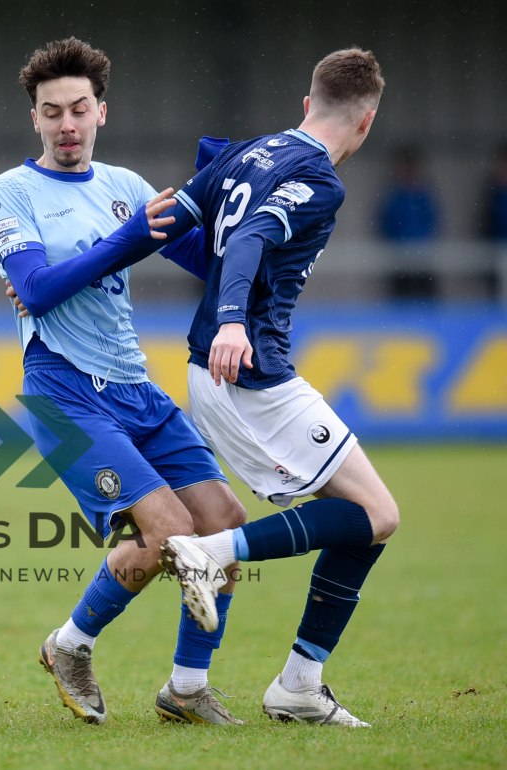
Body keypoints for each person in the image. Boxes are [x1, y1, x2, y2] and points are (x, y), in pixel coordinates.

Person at [0, 37, 247, 727]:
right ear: (35, 119)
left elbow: (209, 262)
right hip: (63, 390)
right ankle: (71, 645)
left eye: (78, 109)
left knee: (223, 524)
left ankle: (186, 689)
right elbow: (35, 290)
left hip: (135, 388)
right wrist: (126, 241)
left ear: (102, 111)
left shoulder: (125, 187)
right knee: (168, 532)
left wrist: (222, 199)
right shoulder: (11, 191)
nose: (66, 124)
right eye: (51, 112)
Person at [146, 47, 397, 727]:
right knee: (378, 514)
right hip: (249, 373)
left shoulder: (247, 154)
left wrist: (77, 263)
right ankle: (211, 555)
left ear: (307, 103)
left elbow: (165, 224)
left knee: (364, 521)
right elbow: (251, 236)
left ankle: (300, 684)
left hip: (219, 368)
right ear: (367, 121)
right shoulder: (319, 181)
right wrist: (232, 319)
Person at [376, 146, 440, 298]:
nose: (406, 172)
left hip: (423, 259)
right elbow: (385, 224)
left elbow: (432, 223)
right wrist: (397, 247)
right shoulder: (393, 196)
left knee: (425, 298)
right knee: (402, 298)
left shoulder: (424, 195)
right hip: (399, 260)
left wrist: (421, 247)